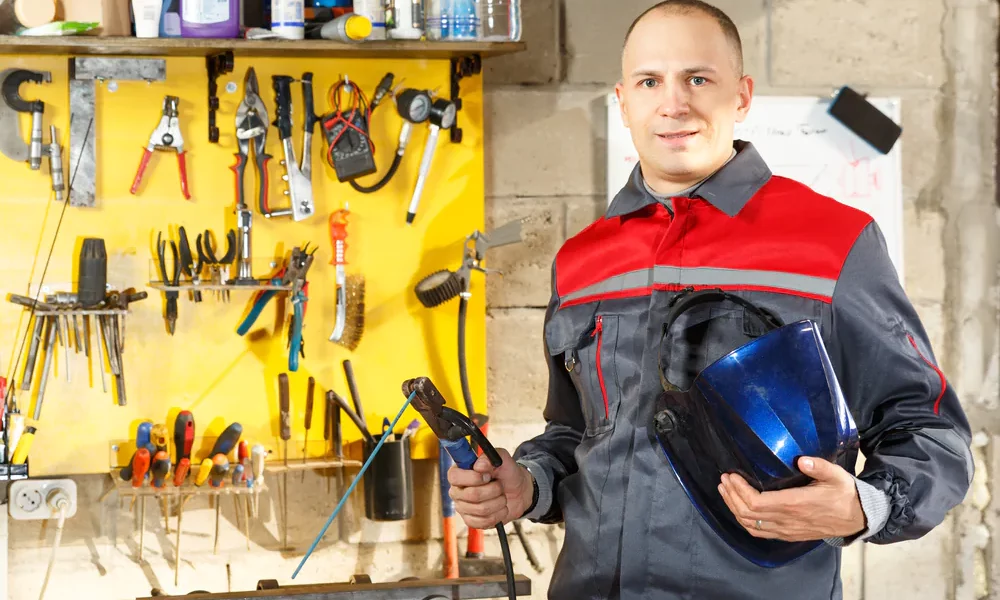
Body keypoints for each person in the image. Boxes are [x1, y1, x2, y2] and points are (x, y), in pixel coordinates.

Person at [446, 1, 974, 598]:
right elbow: (575, 433)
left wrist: (864, 506)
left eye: (698, 78)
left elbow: (930, 435)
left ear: (742, 96)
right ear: (624, 102)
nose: (674, 103)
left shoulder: (833, 243)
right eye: (650, 82)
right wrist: (529, 484)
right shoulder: (583, 261)